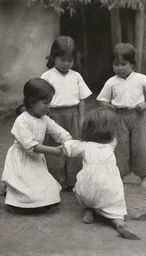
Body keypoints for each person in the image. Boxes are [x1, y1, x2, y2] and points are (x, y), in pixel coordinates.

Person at [63, 107, 140, 240]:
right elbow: (113, 137)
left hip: (87, 189)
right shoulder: (111, 144)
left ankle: (89, 209)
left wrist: (65, 141)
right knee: (115, 202)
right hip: (108, 188)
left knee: (81, 188)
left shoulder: (84, 145)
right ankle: (118, 222)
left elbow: (67, 148)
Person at [1, 78, 72, 212]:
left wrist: (67, 140)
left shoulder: (45, 119)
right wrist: (55, 151)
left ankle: (31, 199)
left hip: (36, 161)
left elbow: (59, 131)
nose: (49, 106)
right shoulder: (22, 121)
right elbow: (31, 147)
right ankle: (14, 198)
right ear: (31, 101)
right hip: (22, 160)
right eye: (45, 103)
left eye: (49, 102)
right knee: (25, 190)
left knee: (50, 191)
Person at [97, 43, 146, 187]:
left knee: (140, 147)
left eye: (123, 64)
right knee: (120, 147)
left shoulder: (140, 78)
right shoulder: (111, 82)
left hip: (137, 117)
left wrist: (144, 105)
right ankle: (119, 175)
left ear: (132, 64)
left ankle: (144, 176)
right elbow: (102, 100)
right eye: (115, 64)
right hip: (119, 118)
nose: (119, 68)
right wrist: (111, 107)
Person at [41, 35, 92, 190]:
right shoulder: (47, 76)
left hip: (72, 116)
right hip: (53, 117)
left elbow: (82, 99)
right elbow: (41, 99)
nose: (66, 64)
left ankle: (73, 181)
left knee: (74, 148)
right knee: (54, 149)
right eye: (62, 59)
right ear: (53, 57)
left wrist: (82, 118)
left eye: (69, 60)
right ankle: (55, 181)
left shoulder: (76, 76)